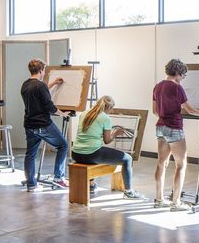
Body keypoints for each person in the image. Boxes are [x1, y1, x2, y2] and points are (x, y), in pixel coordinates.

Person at [152, 58, 199, 211]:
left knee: (162, 163)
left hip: (160, 127)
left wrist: (165, 114)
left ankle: (159, 199)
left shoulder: (157, 86)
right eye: (183, 75)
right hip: (174, 127)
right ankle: (176, 203)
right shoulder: (177, 88)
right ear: (178, 73)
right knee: (181, 165)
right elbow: (191, 110)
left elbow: (155, 111)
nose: (182, 79)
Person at [71, 95, 143, 199]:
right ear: (108, 107)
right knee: (128, 159)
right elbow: (107, 140)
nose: (112, 111)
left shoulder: (84, 113)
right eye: (111, 109)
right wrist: (115, 133)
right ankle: (129, 192)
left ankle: (91, 184)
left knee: (97, 152)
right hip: (91, 154)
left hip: (76, 153)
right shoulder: (105, 118)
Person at [20, 59, 70, 192]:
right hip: (43, 124)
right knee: (63, 145)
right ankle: (59, 178)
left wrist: (53, 83)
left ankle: (31, 185)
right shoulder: (40, 86)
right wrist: (63, 114)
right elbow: (50, 107)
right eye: (44, 70)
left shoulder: (25, 84)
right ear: (41, 70)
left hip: (29, 125)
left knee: (30, 154)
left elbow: (38, 92)